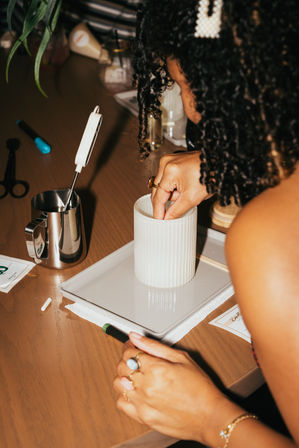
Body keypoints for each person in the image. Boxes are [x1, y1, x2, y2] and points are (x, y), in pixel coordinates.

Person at [113, 1, 299, 447]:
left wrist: (209, 417)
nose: (194, 112)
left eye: (187, 85)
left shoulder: (267, 241)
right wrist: (225, 161)